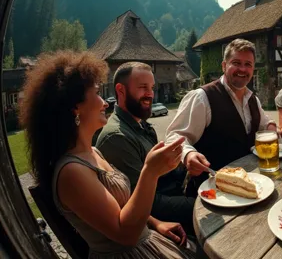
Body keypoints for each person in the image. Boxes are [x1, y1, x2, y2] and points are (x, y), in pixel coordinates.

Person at [19, 51, 194, 258]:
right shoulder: (72, 172)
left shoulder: (93, 152)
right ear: (75, 106)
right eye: (98, 93)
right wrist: (150, 171)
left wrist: (156, 224)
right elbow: (125, 234)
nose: (105, 103)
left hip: (147, 241)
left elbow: (123, 206)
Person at [165, 39, 277, 196]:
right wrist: (188, 154)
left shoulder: (253, 99)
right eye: (236, 63)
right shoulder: (202, 97)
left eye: (248, 64)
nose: (243, 69)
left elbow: (265, 125)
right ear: (224, 66)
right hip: (212, 189)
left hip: (249, 184)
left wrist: (272, 127)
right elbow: (175, 135)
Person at [96, 62, 195, 236]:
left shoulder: (141, 125)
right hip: (160, 222)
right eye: (143, 87)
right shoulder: (117, 138)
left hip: (175, 197)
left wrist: (189, 166)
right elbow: (143, 204)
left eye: (152, 87)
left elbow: (165, 174)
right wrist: (195, 204)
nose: (150, 94)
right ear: (121, 90)